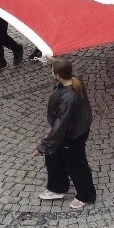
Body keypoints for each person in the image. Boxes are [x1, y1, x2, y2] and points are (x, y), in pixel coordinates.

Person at [37, 58, 96, 210]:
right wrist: (53, 60)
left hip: (72, 136)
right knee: (53, 156)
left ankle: (86, 195)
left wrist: (44, 146)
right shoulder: (75, 79)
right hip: (75, 130)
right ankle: (57, 187)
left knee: (76, 164)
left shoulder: (67, 99)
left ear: (57, 75)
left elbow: (60, 126)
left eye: (52, 70)